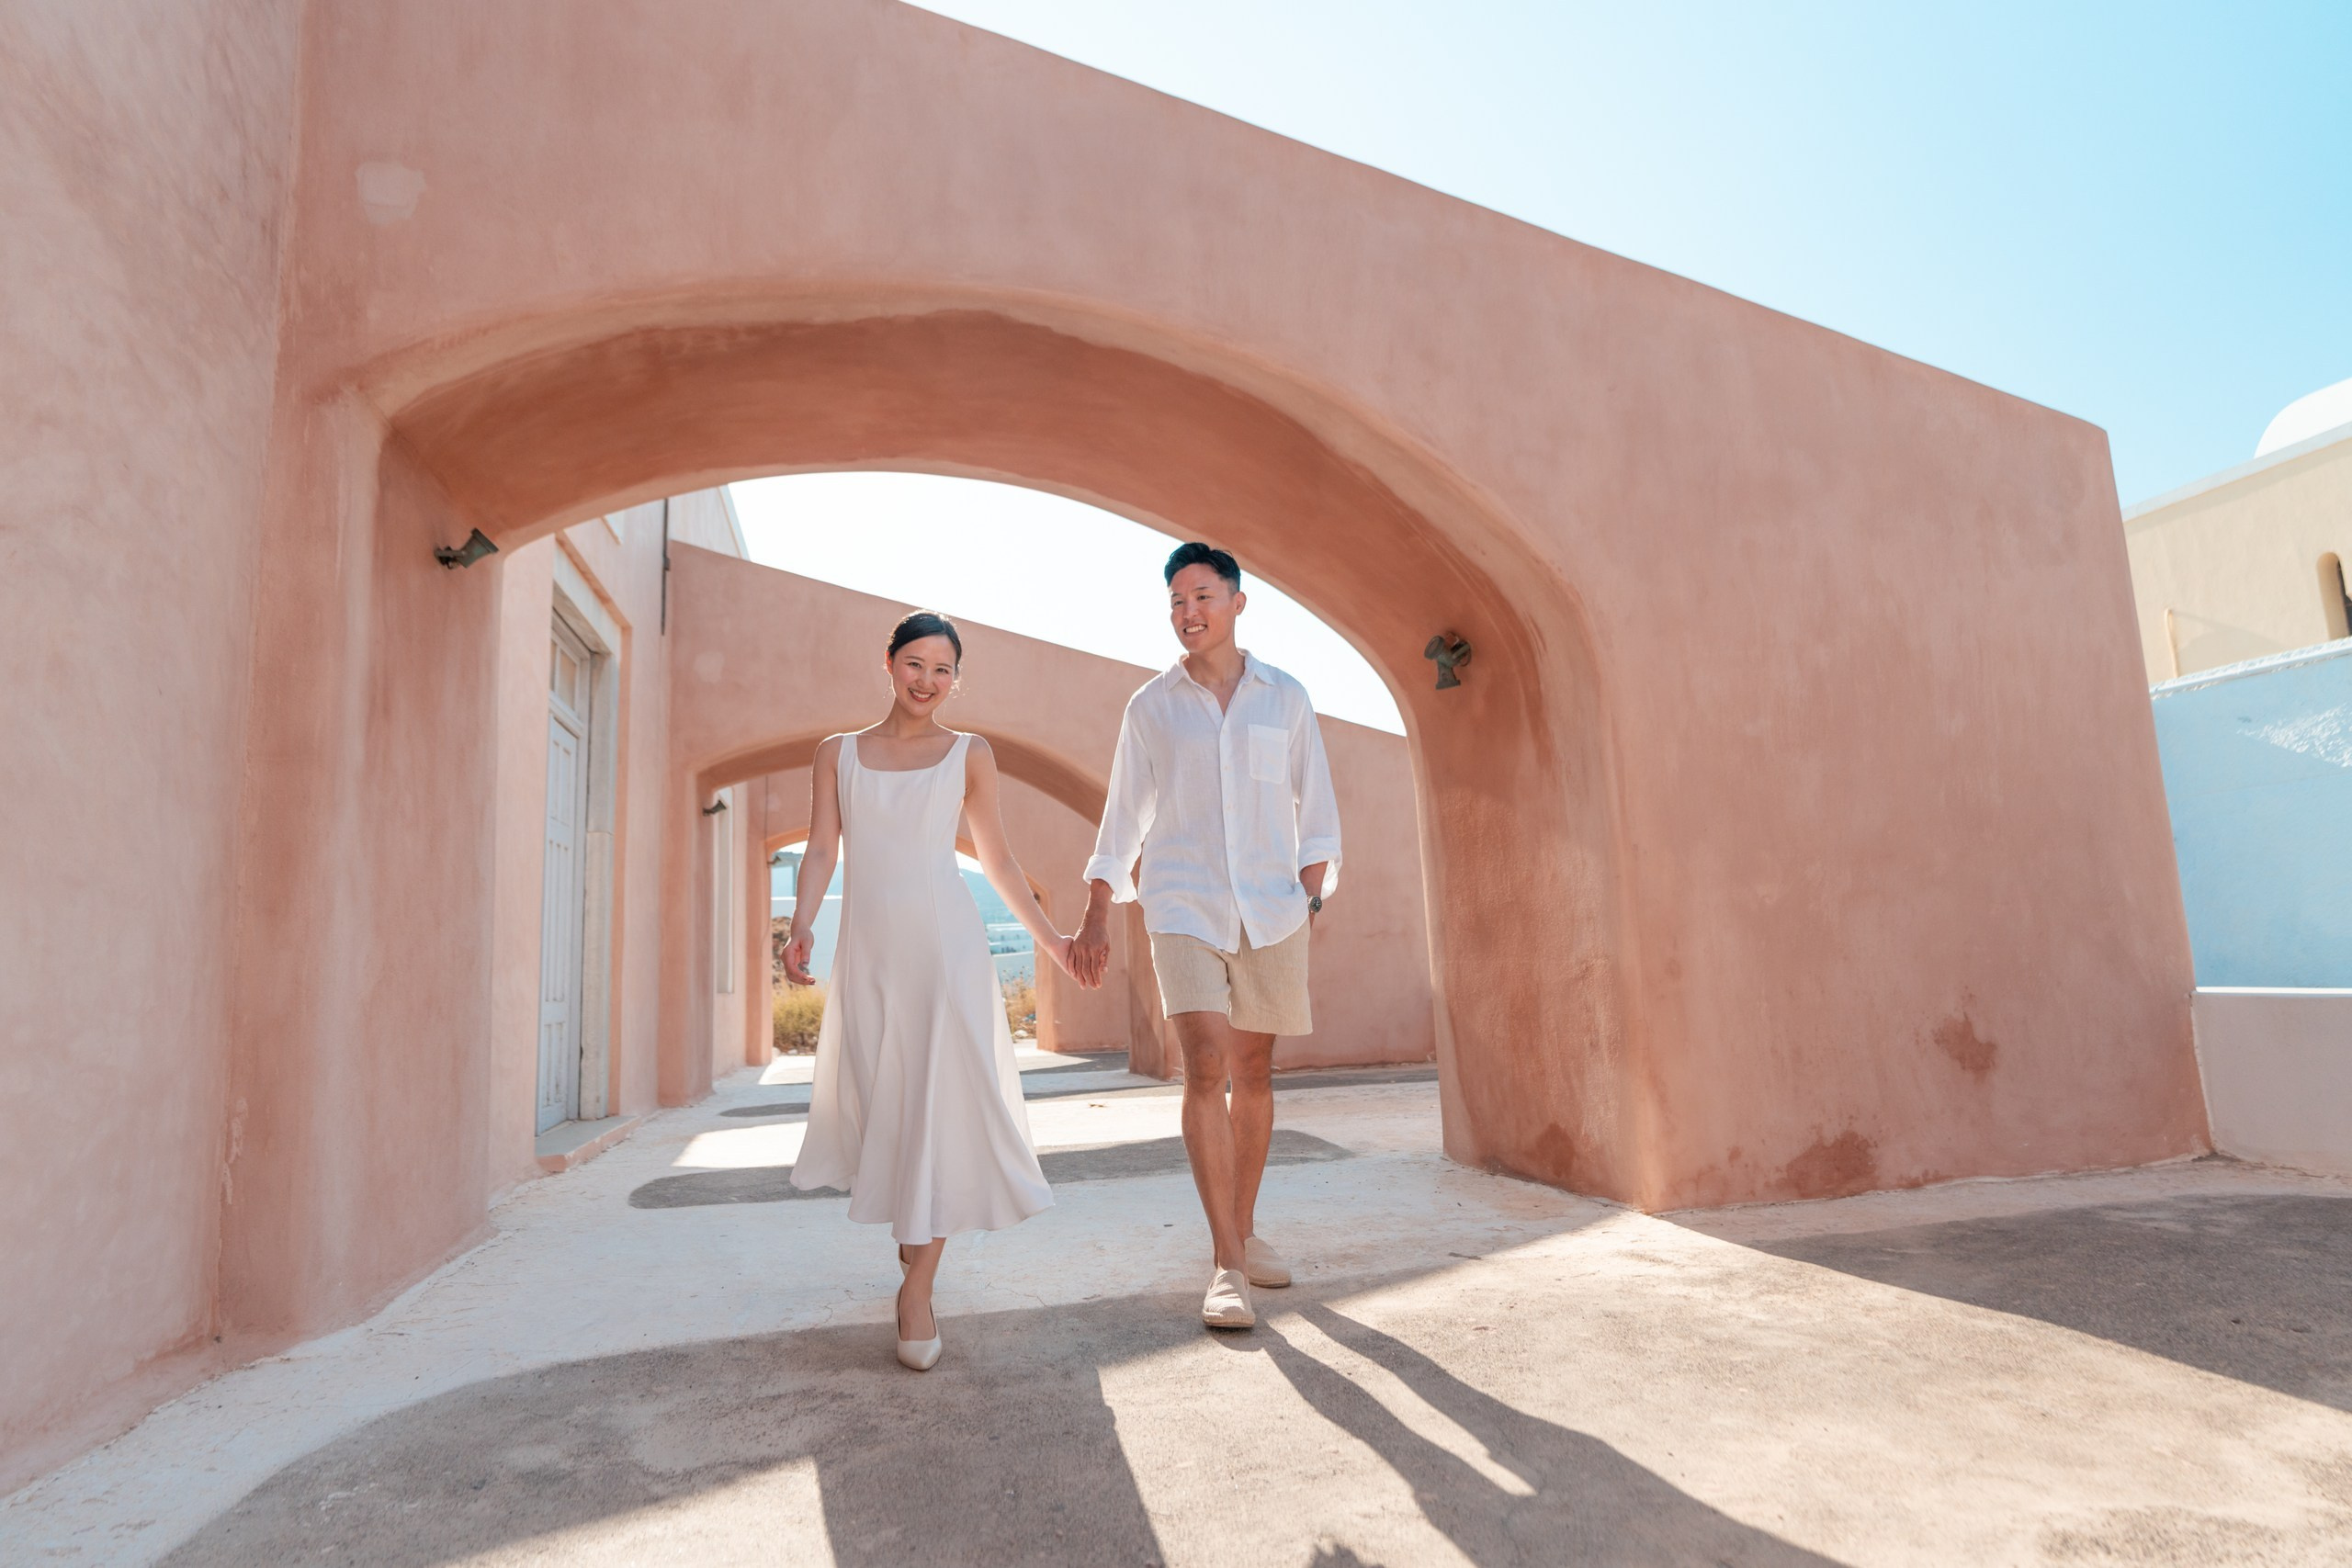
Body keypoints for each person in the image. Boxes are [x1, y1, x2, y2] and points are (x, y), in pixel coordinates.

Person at [783, 610, 1077, 1371]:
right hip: (871, 954)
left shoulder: (969, 754)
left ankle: (919, 1287)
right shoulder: (837, 754)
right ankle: (913, 1243)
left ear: (956, 679)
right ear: (887, 662)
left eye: (943, 670)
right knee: (889, 1099)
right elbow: (821, 847)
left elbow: (1000, 862)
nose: (927, 682)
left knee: (940, 1104)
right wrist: (802, 924)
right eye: (915, 664)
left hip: (947, 951)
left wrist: (1053, 941)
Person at [1070, 542, 1342, 1329]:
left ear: (1236, 602)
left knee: (1255, 1071)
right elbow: (1125, 815)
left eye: (1201, 598)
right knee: (1206, 1067)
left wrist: (1310, 895)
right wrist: (1096, 908)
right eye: (1176, 603)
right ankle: (1226, 1263)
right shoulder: (1150, 706)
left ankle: (1246, 1228)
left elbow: (1314, 803)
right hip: (1182, 903)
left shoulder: (1284, 697)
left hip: (1272, 908)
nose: (1188, 614)